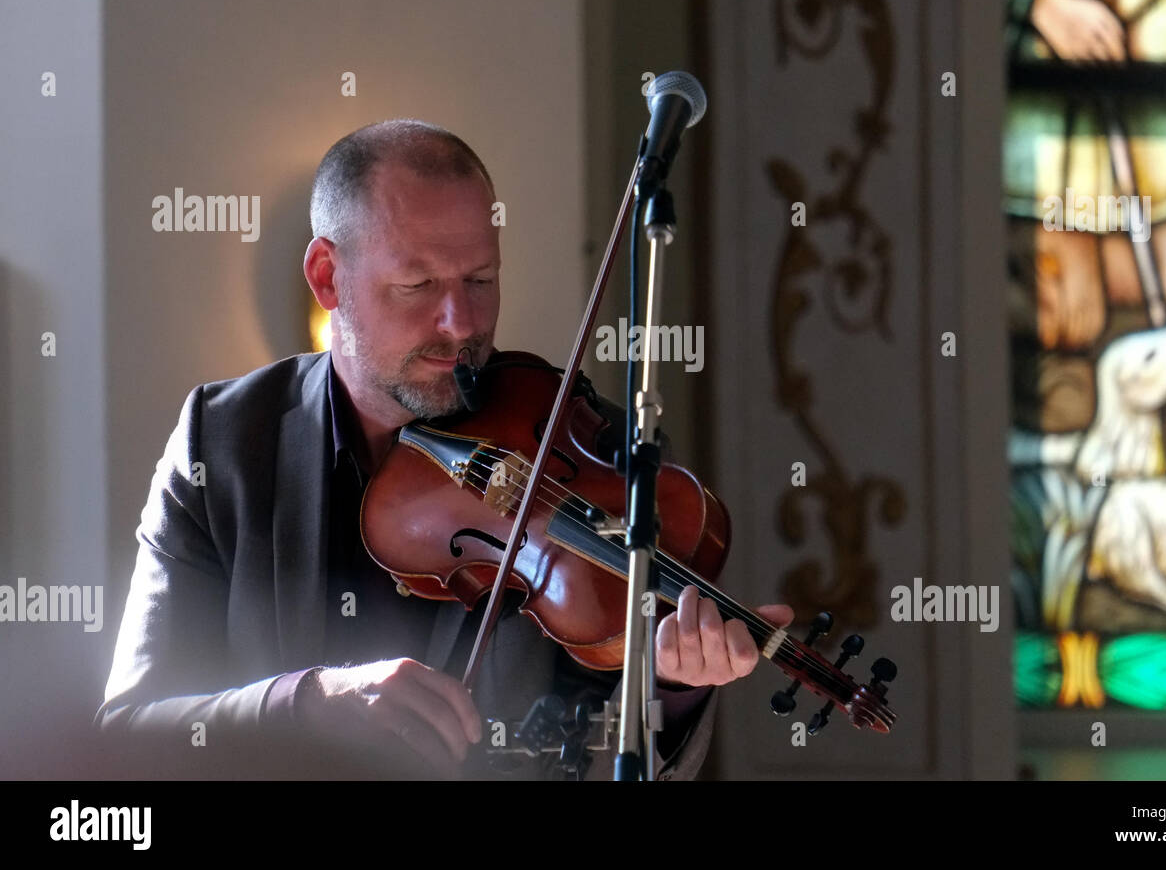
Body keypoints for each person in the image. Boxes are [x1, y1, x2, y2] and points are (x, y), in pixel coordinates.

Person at [95, 119, 793, 780]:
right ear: (327, 278)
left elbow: (607, 754)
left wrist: (672, 686)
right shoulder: (225, 443)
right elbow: (132, 731)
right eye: (419, 284)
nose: (461, 324)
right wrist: (307, 704)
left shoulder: (584, 445)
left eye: (481, 280)